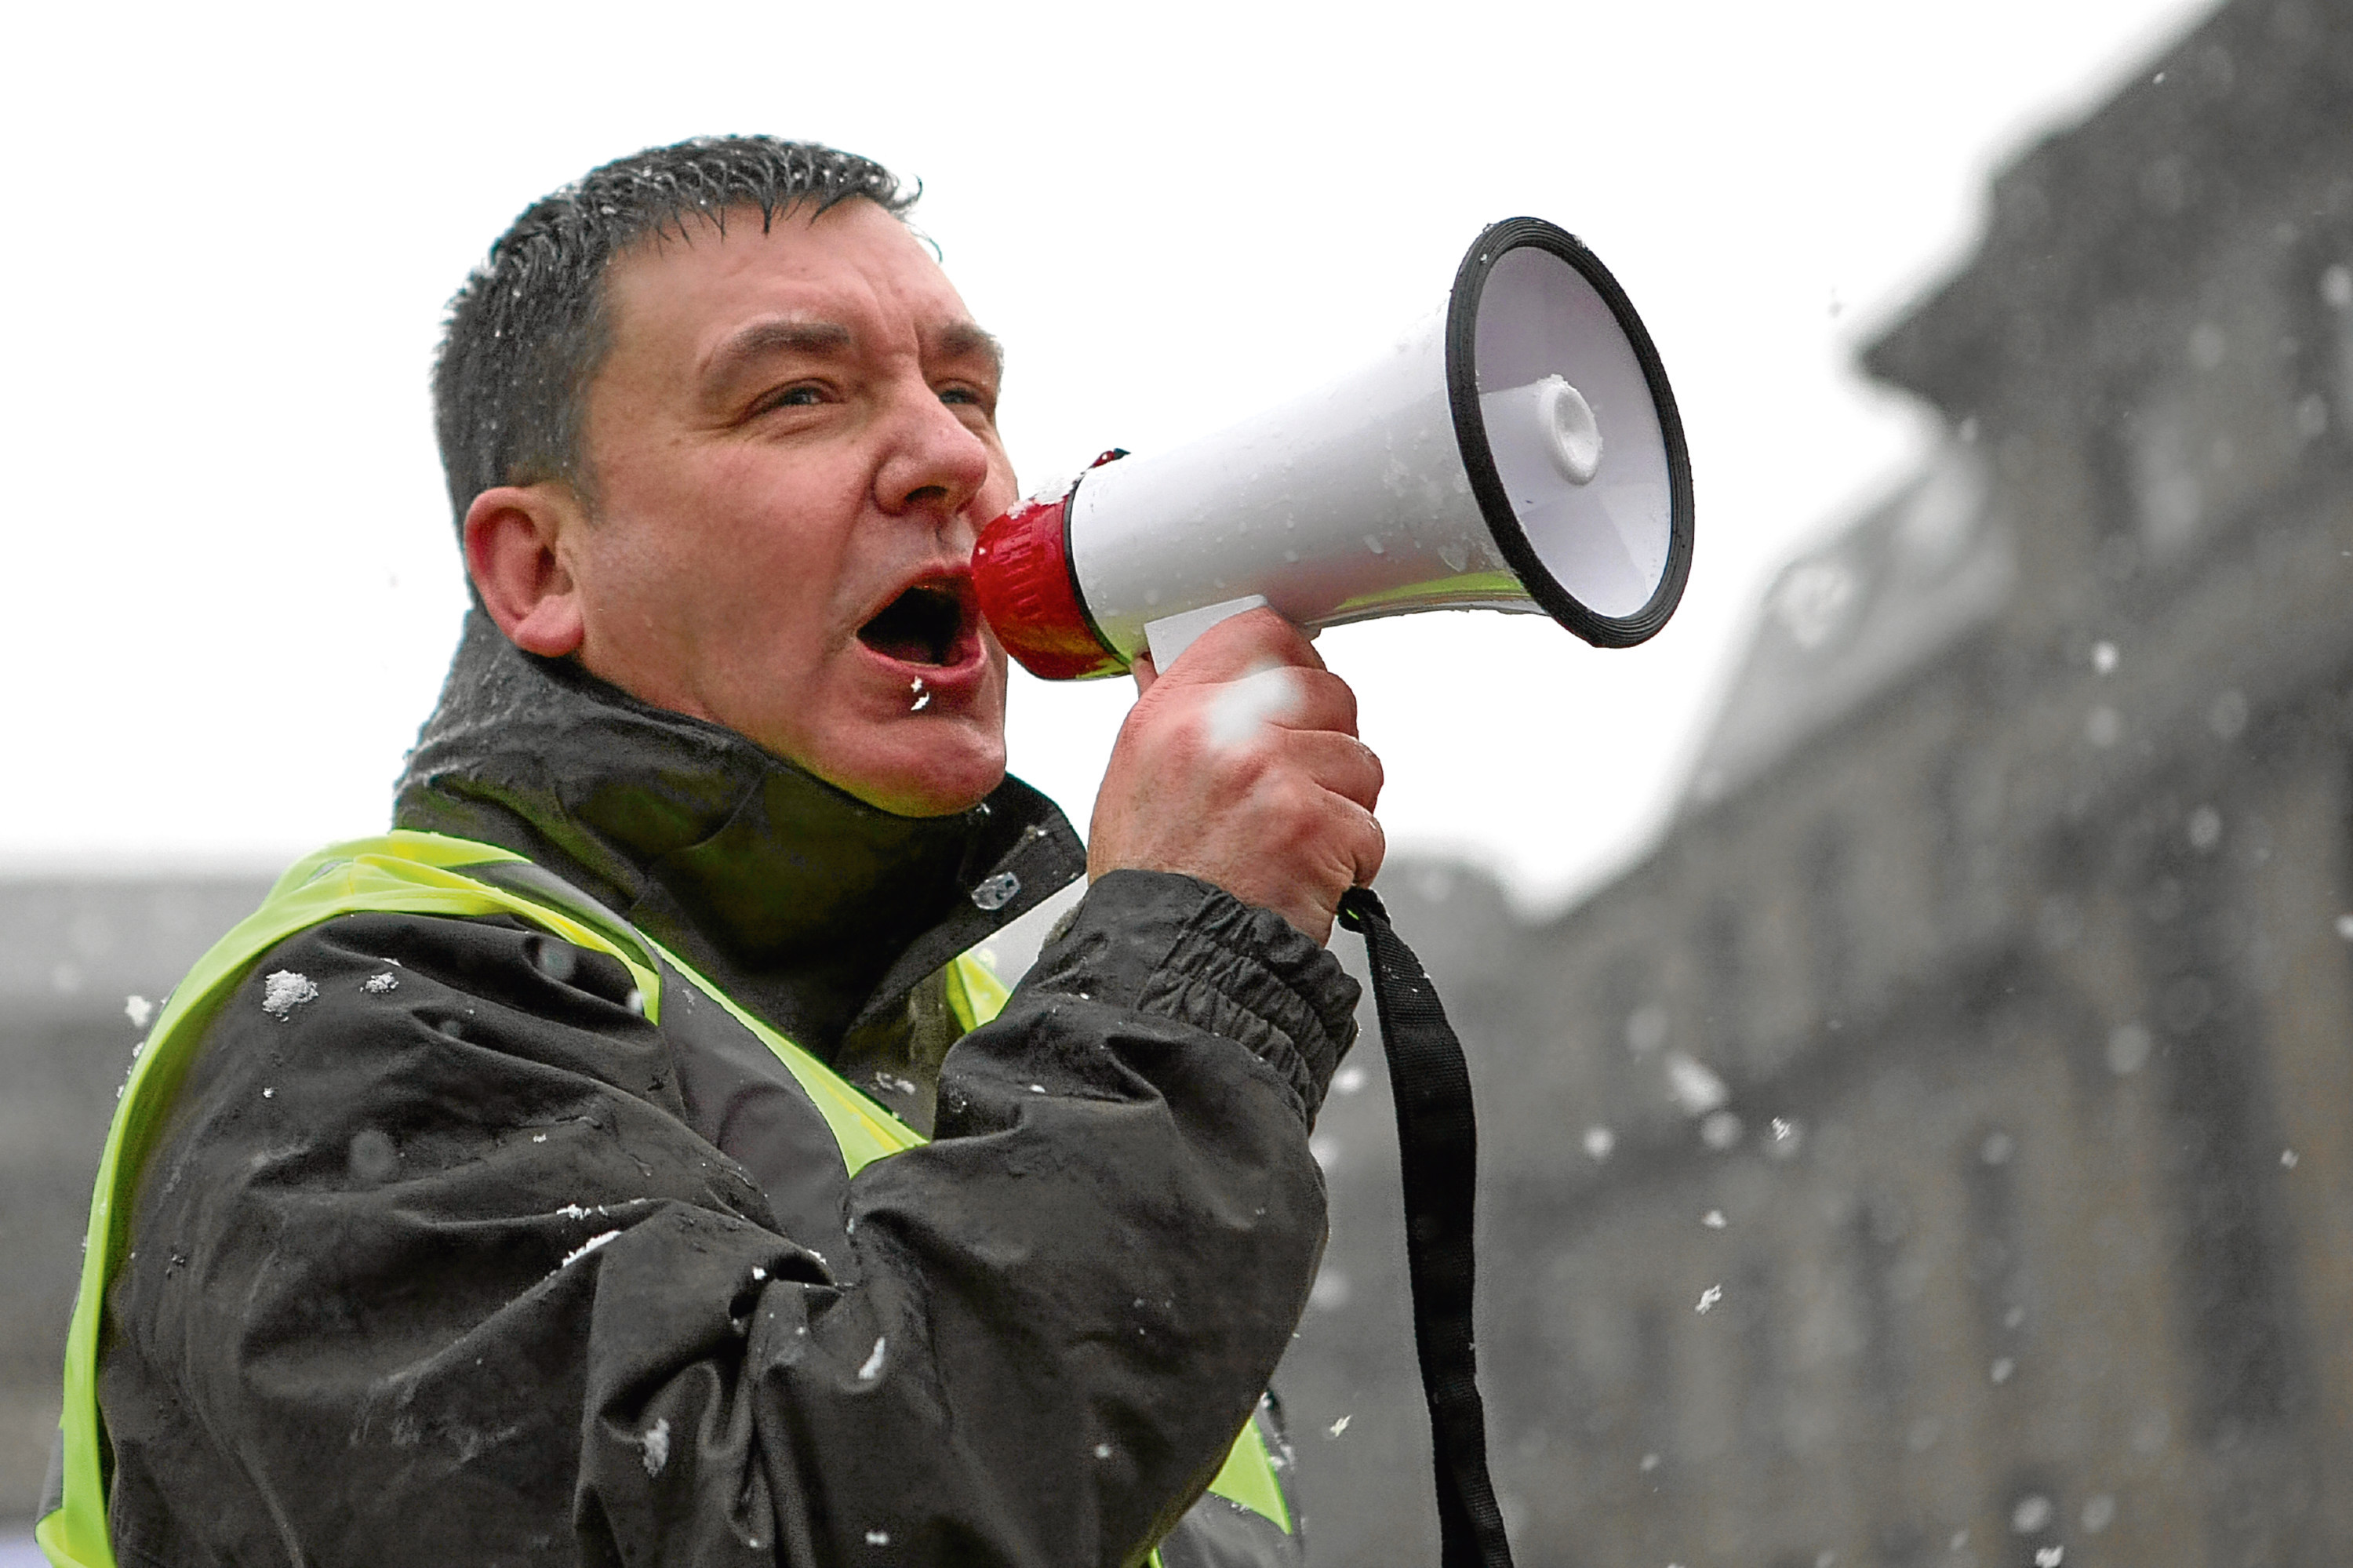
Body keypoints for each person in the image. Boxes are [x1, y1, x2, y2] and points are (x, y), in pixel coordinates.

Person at [41, 137, 1386, 1568]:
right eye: (797, 395)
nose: (952, 457)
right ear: (541, 570)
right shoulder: (361, 1041)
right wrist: (1176, 984)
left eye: (969, 393)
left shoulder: (1016, 1083)